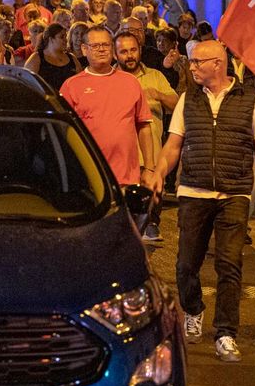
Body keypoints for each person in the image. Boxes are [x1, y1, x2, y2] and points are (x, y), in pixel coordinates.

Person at [153, 40, 255, 363]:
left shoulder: (250, 99)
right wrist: (158, 171)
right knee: (185, 265)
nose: (191, 67)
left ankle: (225, 333)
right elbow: (173, 144)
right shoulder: (187, 100)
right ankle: (193, 309)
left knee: (229, 264)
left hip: (234, 192)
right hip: (194, 192)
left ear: (218, 64)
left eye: (197, 62)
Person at [59, 26, 158, 192]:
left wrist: (149, 168)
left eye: (106, 45)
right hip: (87, 179)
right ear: (84, 49)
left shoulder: (130, 82)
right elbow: (62, 133)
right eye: (95, 46)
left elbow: (144, 126)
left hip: (126, 177)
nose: (101, 50)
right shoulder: (71, 86)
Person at [116, 30, 178, 243]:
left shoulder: (155, 76)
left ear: (140, 50)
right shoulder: (111, 79)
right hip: (121, 159)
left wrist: (158, 95)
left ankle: (151, 223)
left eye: (133, 50)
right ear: (116, 54)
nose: (129, 55)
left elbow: (178, 106)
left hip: (151, 155)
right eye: (123, 51)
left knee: (150, 205)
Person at [25, 23, 81, 91]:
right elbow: (27, 85)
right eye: (61, 37)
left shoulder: (71, 58)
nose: (65, 40)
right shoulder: (36, 58)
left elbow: (80, 82)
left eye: (65, 37)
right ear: (51, 39)